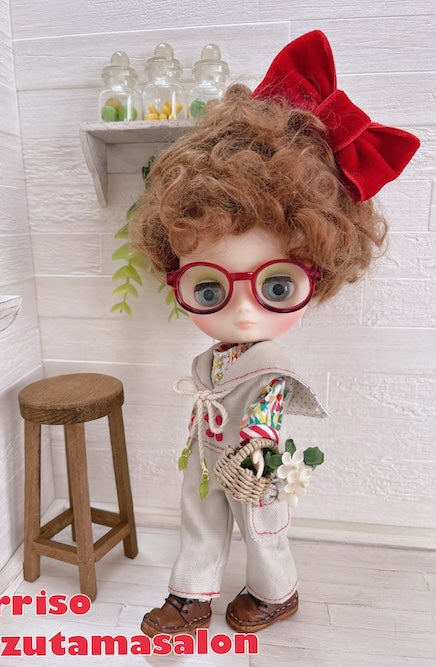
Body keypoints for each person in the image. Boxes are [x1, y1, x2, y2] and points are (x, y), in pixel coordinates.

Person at [130, 30, 419, 636]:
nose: (242, 314)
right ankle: (191, 592)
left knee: (260, 526)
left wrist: (253, 448)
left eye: (277, 287)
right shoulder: (214, 358)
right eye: (209, 289)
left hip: (253, 460)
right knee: (199, 515)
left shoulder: (271, 368)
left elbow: (265, 414)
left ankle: (275, 591)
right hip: (206, 453)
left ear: (320, 277)